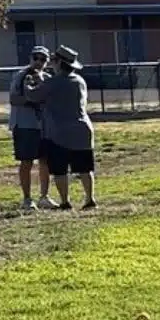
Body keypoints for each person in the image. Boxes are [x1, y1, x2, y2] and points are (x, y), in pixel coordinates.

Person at [23, 44, 97, 210]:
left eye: (54, 60)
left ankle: (65, 201)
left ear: (59, 63)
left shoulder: (53, 83)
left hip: (59, 133)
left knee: (60, 170)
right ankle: (90, 199)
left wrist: (28, 84)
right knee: (85, 168)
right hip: (83, 129)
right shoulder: (79, 81)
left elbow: (33, 95)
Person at [8, 46, 56, 210]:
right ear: (30, 58)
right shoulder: (21, 76)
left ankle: (44, 196)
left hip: (43, 126)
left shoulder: (48, 78)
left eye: (43, 59)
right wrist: (32, 99)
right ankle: (27, 199)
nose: (38, 62)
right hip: (24, 125)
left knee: (45, 161)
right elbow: (14, 99)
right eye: (36, 58)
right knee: (26, 162)